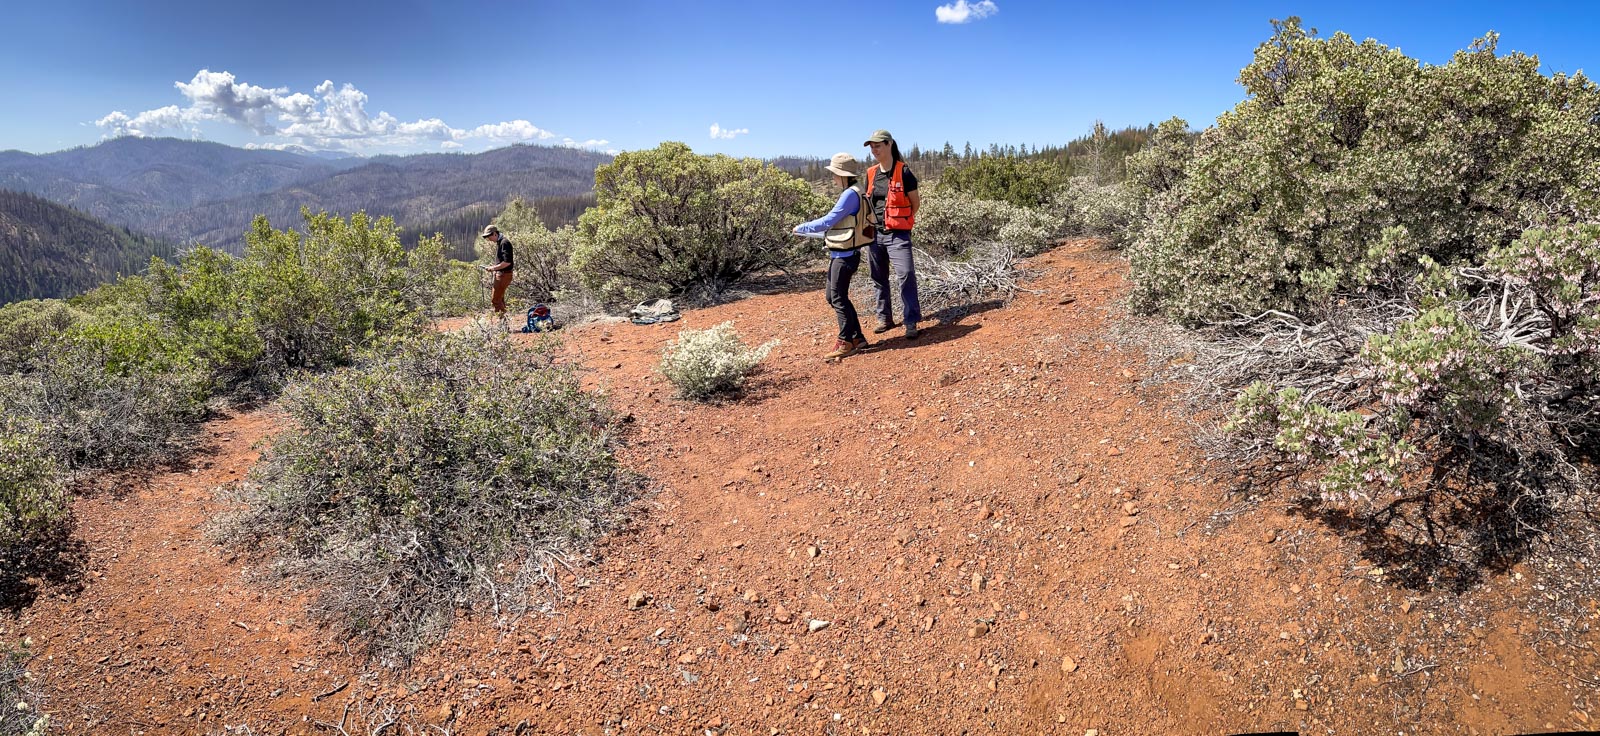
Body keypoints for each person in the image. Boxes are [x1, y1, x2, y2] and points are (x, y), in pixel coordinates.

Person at [793, 153, 874, 360]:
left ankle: (845, 341)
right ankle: (857, 338)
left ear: (843, 175)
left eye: (835, 174)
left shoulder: (850, 194)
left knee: (837, 297)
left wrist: (802, 227)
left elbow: (829, 220)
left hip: (844, 255)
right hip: (844, 252)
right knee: (833, 296)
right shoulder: (856, 190)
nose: (833, 178)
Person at [863, 129, 923, 339]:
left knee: (905, 274)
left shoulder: (903, 172)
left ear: (889, 145)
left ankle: (911, 320)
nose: (874, 150)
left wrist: (901, 221)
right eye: (872, 146)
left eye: (878, 145)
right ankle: (884, 318)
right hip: (874, 234)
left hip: (897, 234)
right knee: (878, 277)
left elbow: (915, 203)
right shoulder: (871, 173)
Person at [480, 224, 514, 320]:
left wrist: (493, 268)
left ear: (495, 234)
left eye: (489, 236)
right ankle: (504, 322)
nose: (488, 239)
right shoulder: (501, 242)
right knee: (500, 299)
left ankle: (503, 323)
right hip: (502, 274)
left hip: (503, 275)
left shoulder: (504, 243)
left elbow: (507, 262)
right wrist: (494, 268)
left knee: (496, 300)